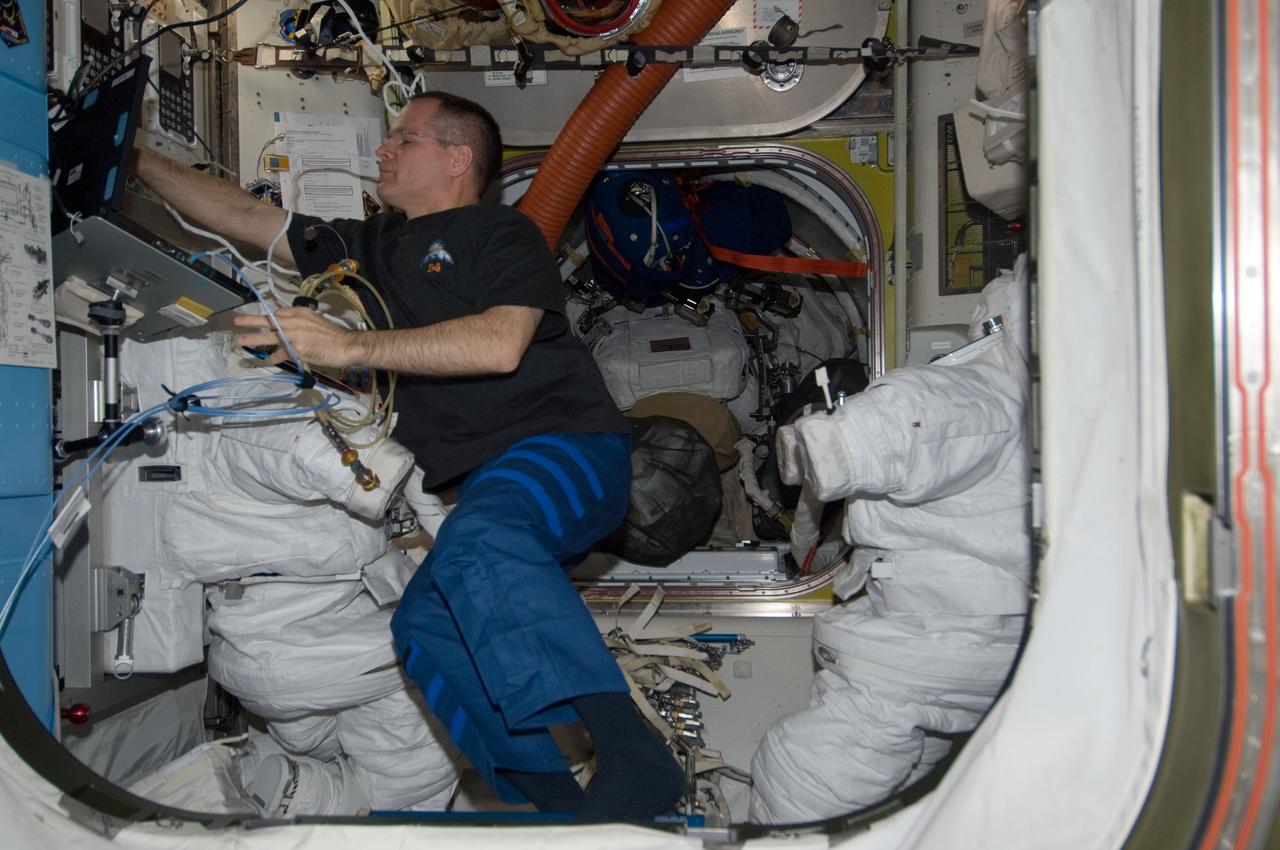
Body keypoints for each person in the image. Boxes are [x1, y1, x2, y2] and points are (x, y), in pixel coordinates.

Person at [133, 91, 684, 821]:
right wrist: (135, 159)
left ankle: (635, 757)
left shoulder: (500, 233)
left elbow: (501, 344)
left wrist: (350, 345)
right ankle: (555, 804)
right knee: (424, 624)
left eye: (404, 138)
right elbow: (244, 218)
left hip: (568, 449)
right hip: (490, 480)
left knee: (481, 543)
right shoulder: (369, 247)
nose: (384, 151)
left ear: (458, 159)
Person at [748, 257, 1032, 822]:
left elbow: (911, 423)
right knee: (908, 778)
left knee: (804, 776)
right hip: (973, 635)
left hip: (933, 638)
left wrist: (816, 446)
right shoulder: (1029, 396)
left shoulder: (983, 391)